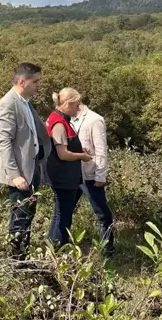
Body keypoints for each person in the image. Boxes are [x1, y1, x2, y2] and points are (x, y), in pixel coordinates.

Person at [0, 63, 50, 260]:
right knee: (19, 217)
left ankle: (23, 256)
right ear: (22, 81)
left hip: (32, 166)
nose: (38, 85)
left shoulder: (25, 102)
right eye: (35, 82)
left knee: (28, 214)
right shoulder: (7, 104)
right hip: (19, 173)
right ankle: (16, 262)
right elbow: (4, 143)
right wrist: (15, 175)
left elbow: (39, 131)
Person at [45, 88, 92, 248]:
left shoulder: (58, 118)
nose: (78, 109)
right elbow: (63, 154)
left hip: (63, 175)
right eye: (76, 105)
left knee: (61, 213)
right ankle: (57, 249)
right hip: (63, 175)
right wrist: (82, 156)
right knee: (63, 215)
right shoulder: (59, 123)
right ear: (68, 104)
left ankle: (53, 248)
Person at [71, 101, 114, 256]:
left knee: (103, 214)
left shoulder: (94, 120)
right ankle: (62, 248)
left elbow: (101, 150)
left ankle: (107, 250)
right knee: (65, 211)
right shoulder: (68, 119)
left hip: (90, 175)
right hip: (73, 174)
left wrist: (100, 175)